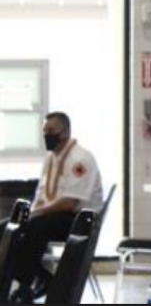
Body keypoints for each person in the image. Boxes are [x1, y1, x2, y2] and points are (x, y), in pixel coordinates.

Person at [6, 113, 103, 304]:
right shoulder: (51, 158)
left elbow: (70, 203)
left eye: (51, 131)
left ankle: (24, 288)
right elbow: (41, 196)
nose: (46, 136)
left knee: (38, 226)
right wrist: (30, 213)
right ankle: (43, 278)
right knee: (9, 228)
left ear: (65, 132)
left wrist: (36, 213)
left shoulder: (80, 159)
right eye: (44, 131)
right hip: (55, 216)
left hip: (79, 222)